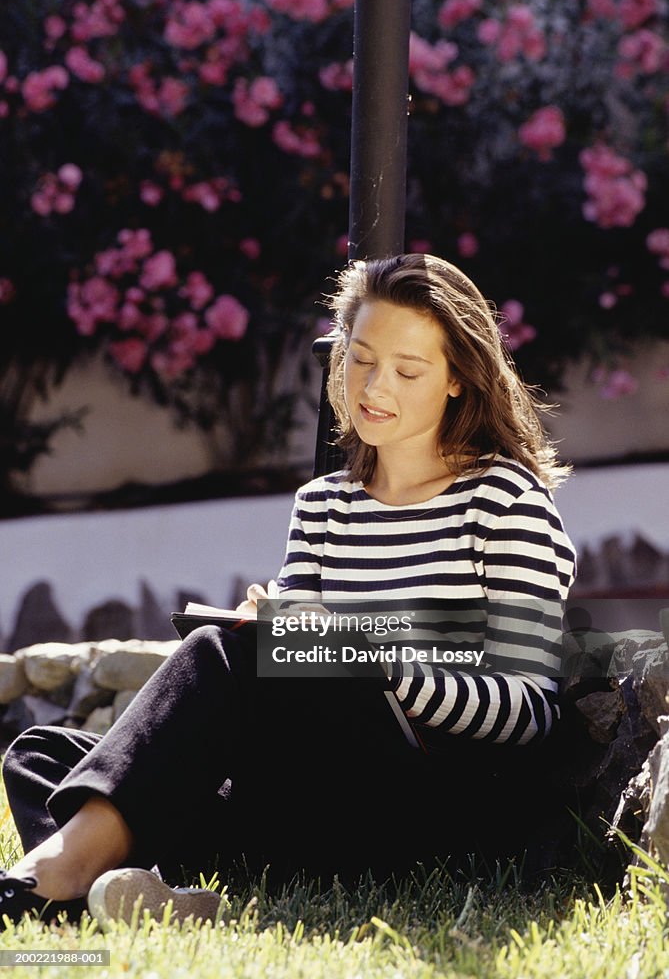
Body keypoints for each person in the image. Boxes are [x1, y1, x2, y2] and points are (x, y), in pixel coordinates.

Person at [0, 253, 576, 928]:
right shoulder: (323, 505)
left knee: (231, 652)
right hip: (306, 808)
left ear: (457, 380)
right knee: (43, 753)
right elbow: (289, 669)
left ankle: (49, 880)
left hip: (430, 809)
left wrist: (375, 663)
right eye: (359, 359)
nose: (373, 386)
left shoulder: (505, 501)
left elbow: (531, 713)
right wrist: (278, 628)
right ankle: (140, 896)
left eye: (407, 370)